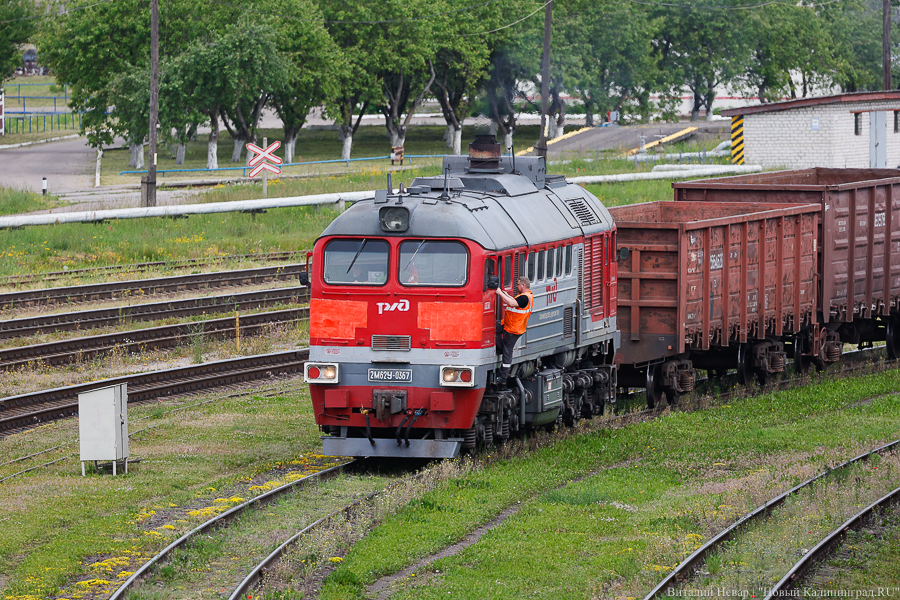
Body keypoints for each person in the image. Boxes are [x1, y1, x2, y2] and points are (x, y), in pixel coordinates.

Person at [495, 276, 533, 385]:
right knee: (492, 328)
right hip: (508, 325)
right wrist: (503, 293)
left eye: (518, 284)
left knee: (508, 352)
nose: (516, 286)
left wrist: (499, 293)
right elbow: (512, 300)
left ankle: (502, 377)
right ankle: (501, 348)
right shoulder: (525, 296)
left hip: (513, 329)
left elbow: (511, 303)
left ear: (523, 285)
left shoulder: (525, 298)